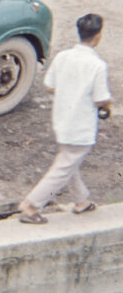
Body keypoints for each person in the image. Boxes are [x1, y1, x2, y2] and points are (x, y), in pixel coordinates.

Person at [18, 13, 113, 224]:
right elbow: (100, 99)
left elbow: (50, 85)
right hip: (81, 127)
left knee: (70, 162)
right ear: (98, 36)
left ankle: (82, 201)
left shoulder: (63, 57)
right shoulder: (97, 65)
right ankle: (31, 205)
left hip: (61, 120)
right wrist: (108, 105)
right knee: (64, 167)